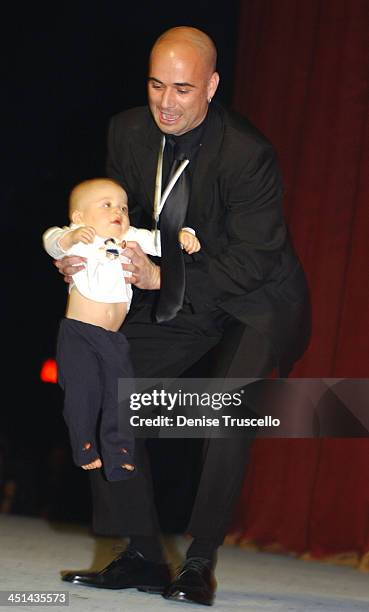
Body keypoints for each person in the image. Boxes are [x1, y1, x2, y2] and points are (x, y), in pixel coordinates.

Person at [56, 27, 310, 606]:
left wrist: (163, 276)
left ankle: (199, 563)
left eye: (183, 89)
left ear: (212, 87)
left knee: (227, 410)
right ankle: (143, 555)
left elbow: (252, 260)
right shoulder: (126, 131)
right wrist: (84, 254)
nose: (166, 103)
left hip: (254, 298)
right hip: (174, 292)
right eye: (155, 85)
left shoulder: (248, 154)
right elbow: (117, 220)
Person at [43, 177, 199, 482]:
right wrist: (69, 239)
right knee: (82, 391)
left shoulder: (129, 237)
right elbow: (50, 240)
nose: (119, 211)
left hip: (113, 339)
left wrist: (182, 235)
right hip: (79, 334)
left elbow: (160, 240)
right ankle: (84, 443)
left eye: (124, 207)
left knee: (122, 394)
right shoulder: (79, 239)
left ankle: (119, 452)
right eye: (107, 205)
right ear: (79, 217)